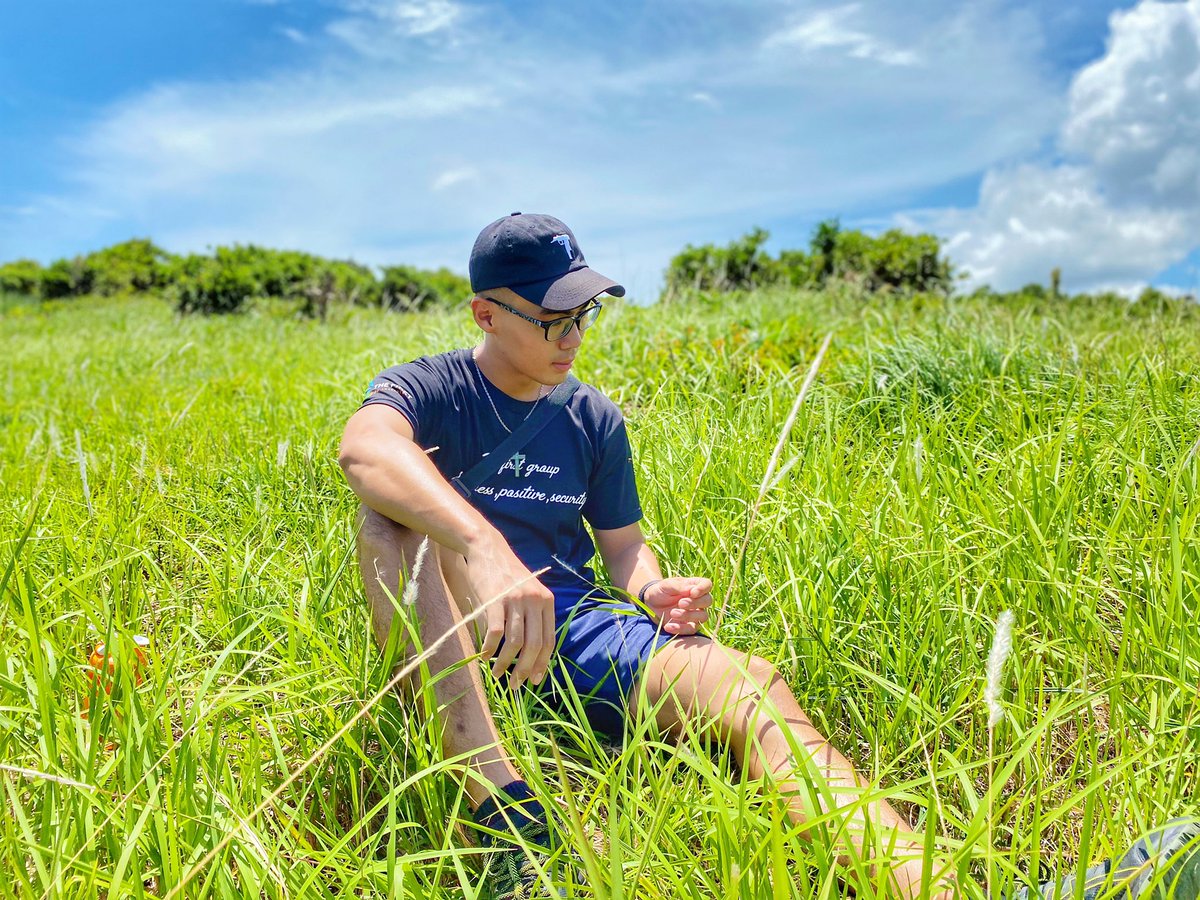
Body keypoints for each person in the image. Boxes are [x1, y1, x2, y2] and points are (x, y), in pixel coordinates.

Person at [337, 213, 1198, 900]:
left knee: (746, 685)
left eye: (586, 312)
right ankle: (506, 820)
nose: (574, 334)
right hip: (458, 633)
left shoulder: (592, 417)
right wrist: (484, 547)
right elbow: (364, 449)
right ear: (488, 313)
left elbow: (626, 551)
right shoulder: (434, 387)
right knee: (391, 525)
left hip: (572, 631)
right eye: (553, 317)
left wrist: (655, 589)